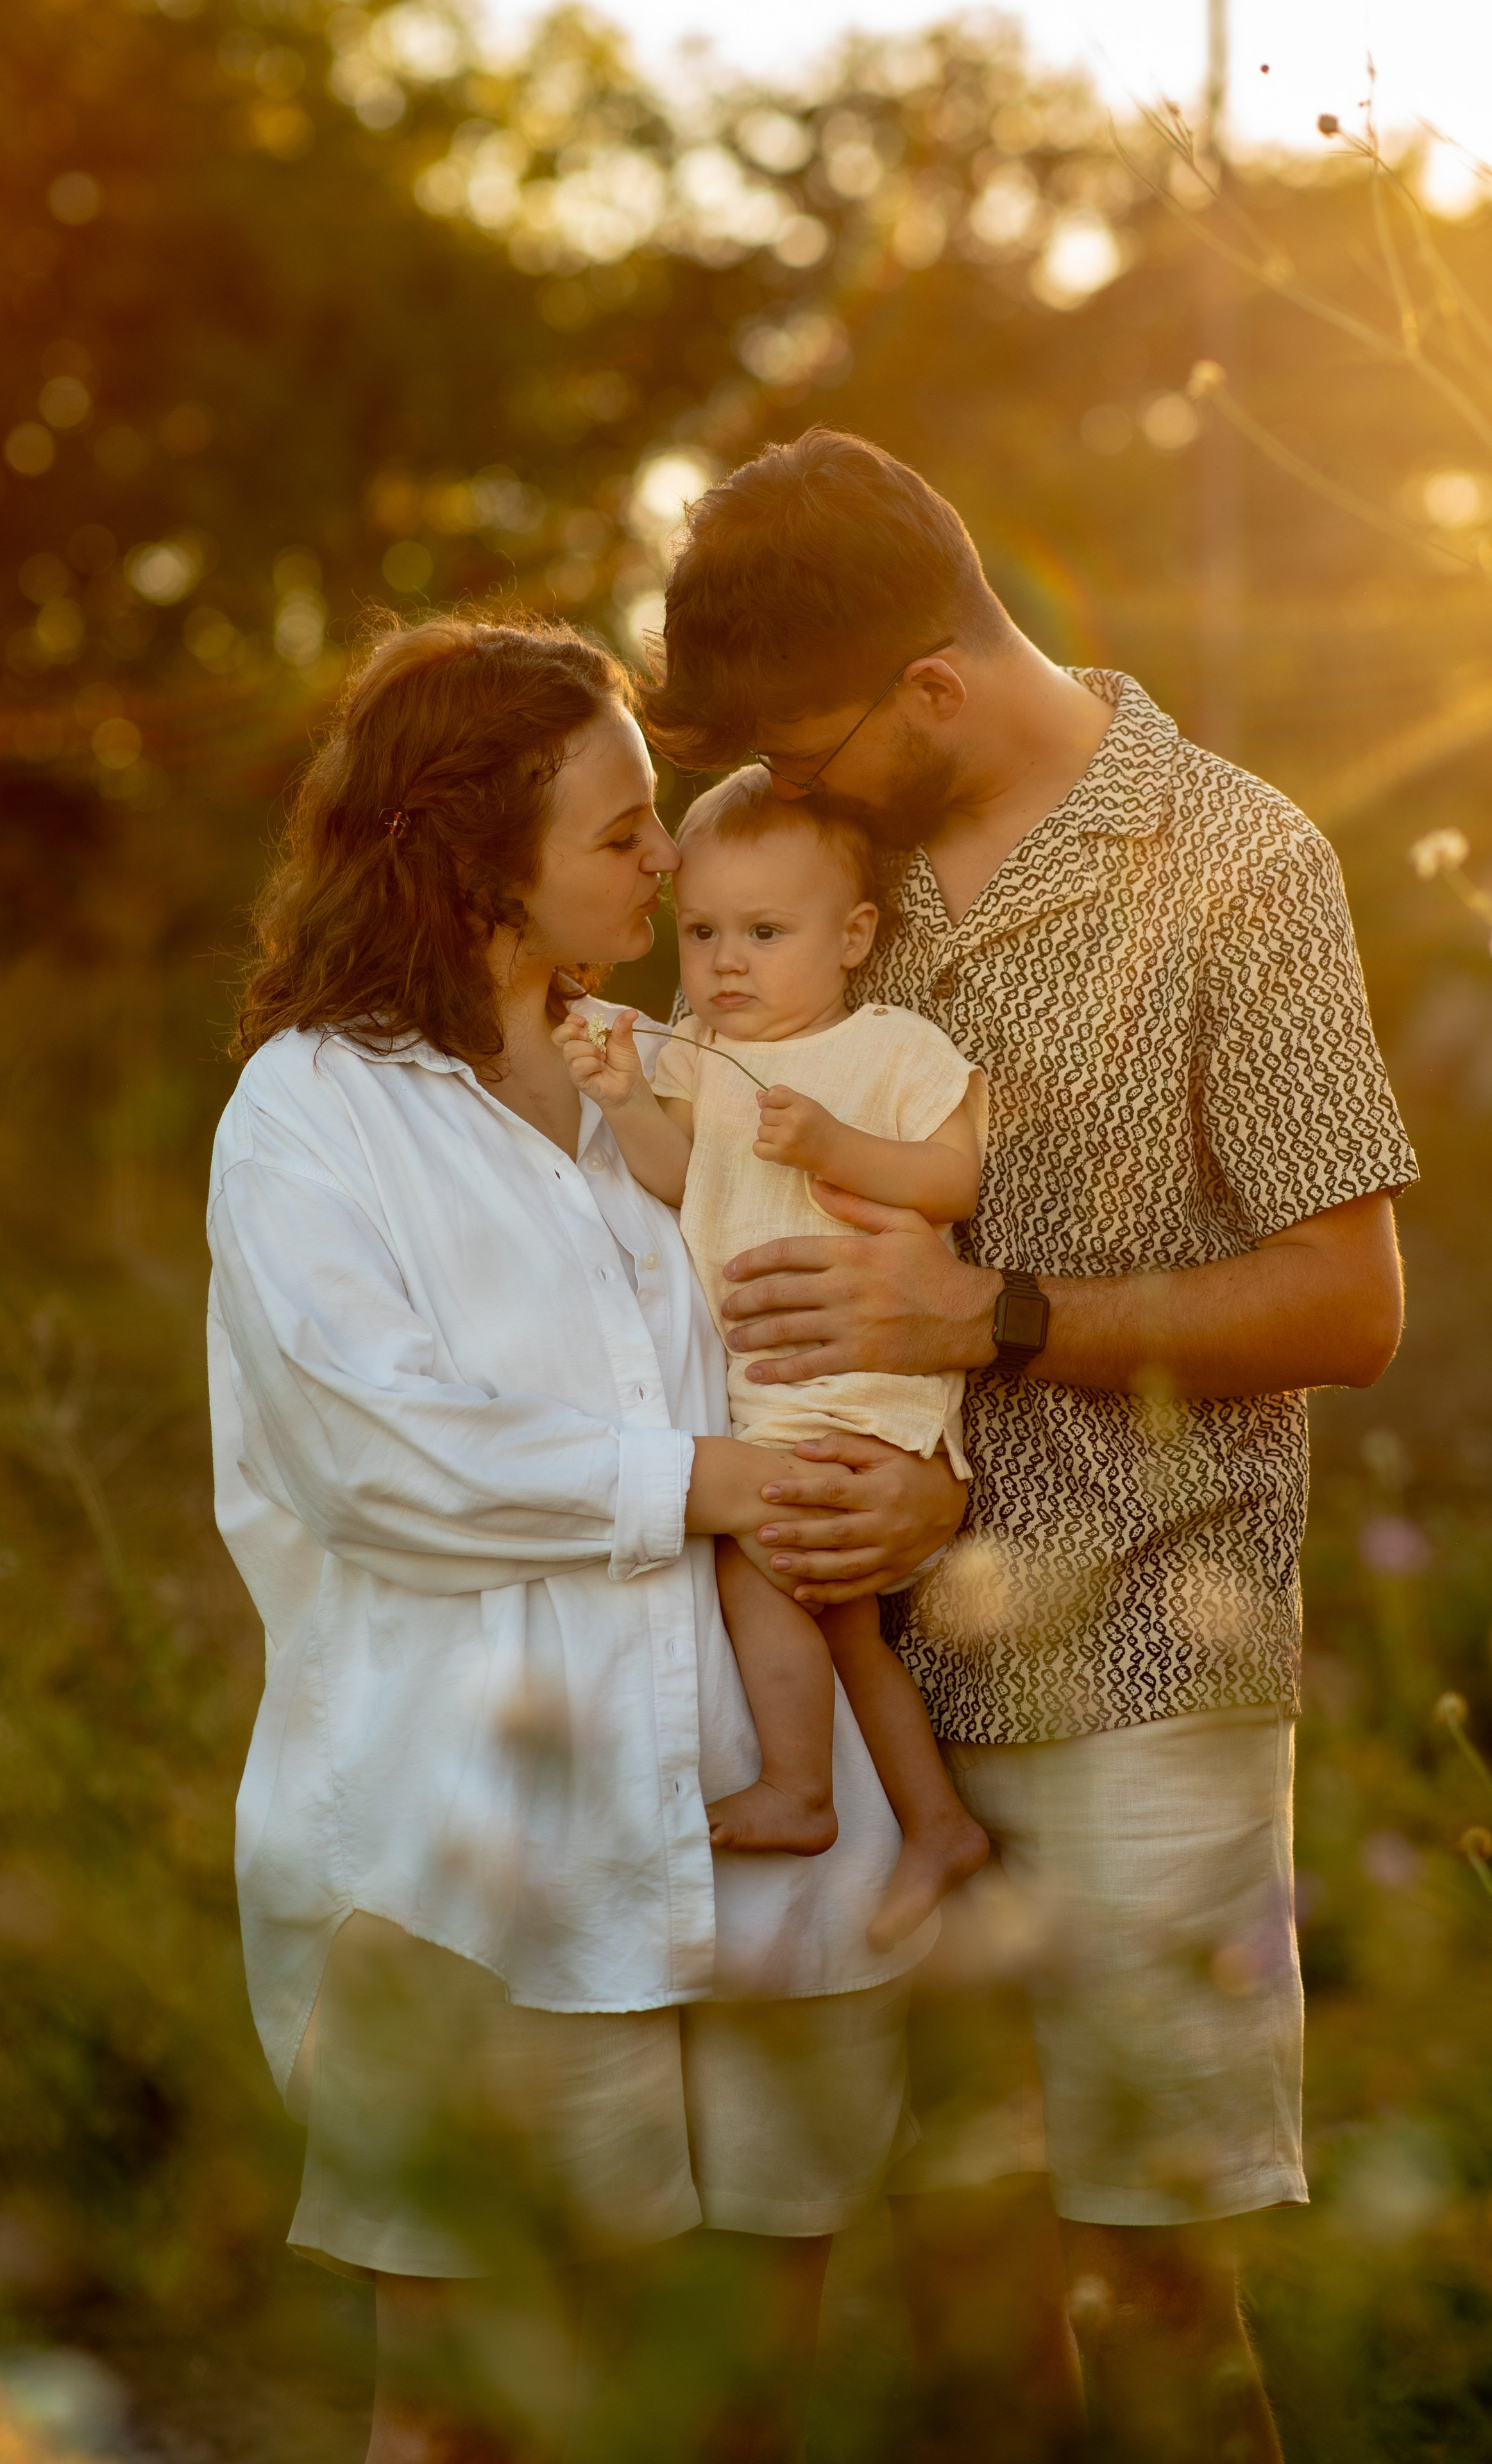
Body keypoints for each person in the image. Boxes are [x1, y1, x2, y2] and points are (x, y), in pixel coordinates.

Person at [643, 430, 1417, 2461]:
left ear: (931, 690)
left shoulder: (1240, 862)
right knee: (966, 2288)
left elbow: (1351, 1299)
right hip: (863, 1668)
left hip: (1148, 1667)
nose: (785, 799)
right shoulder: (836, 873)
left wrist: (994, 1321)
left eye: (811, 750)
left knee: (1159, 2289)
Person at [207, 611, 965, 2463]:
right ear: (480, 854)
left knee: (746, 2404)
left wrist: (924, 1493)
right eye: (624, 830)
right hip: (484, 1863)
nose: (667, 860)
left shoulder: (683, 1069)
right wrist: (699, 1483)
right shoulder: (316, 1113)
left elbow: (859, 1349)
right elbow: (371, 1446)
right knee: (469, 2418)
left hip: (769, 1839)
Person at [557, 765, 990, 1950]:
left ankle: (805, 1793)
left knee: (765, 1568)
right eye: (701, 933)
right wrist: (629, 1096)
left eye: (763, 932)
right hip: (778, 1390)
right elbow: (674, 1174)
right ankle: (934, 1821)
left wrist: (841, 1142)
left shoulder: (889, 1047)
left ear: (853, 938)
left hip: (864, 1374)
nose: (727, 963)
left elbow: (951, 1177)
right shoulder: (698, 1052)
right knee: (837, 1614)